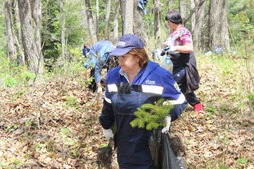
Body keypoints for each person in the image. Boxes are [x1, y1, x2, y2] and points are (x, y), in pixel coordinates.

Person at [99, 34, 187, 169]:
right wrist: (106, 126)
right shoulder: (113, 76)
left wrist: (168, 114)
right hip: (124, 143)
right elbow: (108, 105)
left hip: (151, 144)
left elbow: (180, 101)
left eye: (124, 56)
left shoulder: (159, 76)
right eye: (118, 56)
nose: (119, 61)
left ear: (138, 56)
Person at [163, 10, 204, 114]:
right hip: (173, 62)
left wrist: (175, 48)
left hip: (184, 62)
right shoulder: (171, 32)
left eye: (169, 22)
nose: (168, 24)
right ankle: (197, 104)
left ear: (174, 21)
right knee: (182, 85)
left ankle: (170, 107)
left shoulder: (183, 31)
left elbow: (189, 48)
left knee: (175, 84)